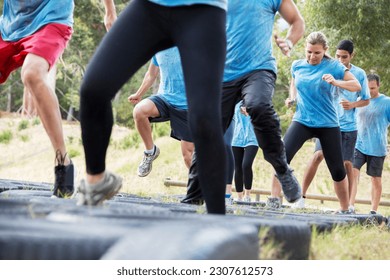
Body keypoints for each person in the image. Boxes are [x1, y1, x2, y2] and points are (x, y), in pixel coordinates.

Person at [77, 0, 227, 214]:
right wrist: (110, 9)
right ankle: (96, 183)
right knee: (93, 90)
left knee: (204, 119)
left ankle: (217, 217)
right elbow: (150, 74)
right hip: (149, 7)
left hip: (202, 11)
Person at [181, 0, 305, 206]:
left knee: (258, 105)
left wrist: (290, 41)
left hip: (259, 68)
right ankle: (194, 196)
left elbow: (296, 21)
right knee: (208, 129)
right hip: (223, 72)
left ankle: (282, 169)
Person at [270, 31, 361, 213]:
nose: (312, 56)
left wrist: (336, 82)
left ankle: (345, 209)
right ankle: (273, 199)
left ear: (325, 50)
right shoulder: (297, 65)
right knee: (281, 157)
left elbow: (356, 85)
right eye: (309, 52)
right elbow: (295, 83)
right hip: (302, 120)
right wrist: (292, 98)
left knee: (337, 169)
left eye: (317, 53)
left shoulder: (334, 66)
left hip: (327, 124)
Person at [0, 0, 75, 198]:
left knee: (32, 74)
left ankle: (63, 161)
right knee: (31, 75)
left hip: (52, 18)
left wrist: (109, 11)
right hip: (11, 25)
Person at [297, 40, 370, 211]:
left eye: (344, 57)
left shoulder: (359, 74)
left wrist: (352, 105)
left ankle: (349, 204)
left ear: (352, 56)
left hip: (349, 126)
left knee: (347, 164)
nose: (340, 59)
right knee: (316, 157)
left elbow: (366, 99)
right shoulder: (328, 67)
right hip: (327, 123)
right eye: (337, 56)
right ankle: (301, 196)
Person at [128, 47, 194, 177]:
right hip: (164, 98)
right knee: (139, 111)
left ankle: (201, 189)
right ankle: (150, 151)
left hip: (187, 105)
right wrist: (139, 94)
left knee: (188, 156)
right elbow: (151, 74)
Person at [353, 73, 390, 215]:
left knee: (375, 179)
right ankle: (350, 205)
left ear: (378, 86)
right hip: (358, 144)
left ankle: (373, 211)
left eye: (372, 88)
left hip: (377, 147)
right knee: (353, 172)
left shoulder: (387, 102)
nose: (369, 91)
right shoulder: (359, 100)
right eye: (367, 88)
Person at [231, 102, 258, 202]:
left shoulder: (254, 98)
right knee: (237, 168)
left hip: (252, 137)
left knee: (246, 165)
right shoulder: (236, 100)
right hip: (237, 137)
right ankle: (239, 197)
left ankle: (247, 195)